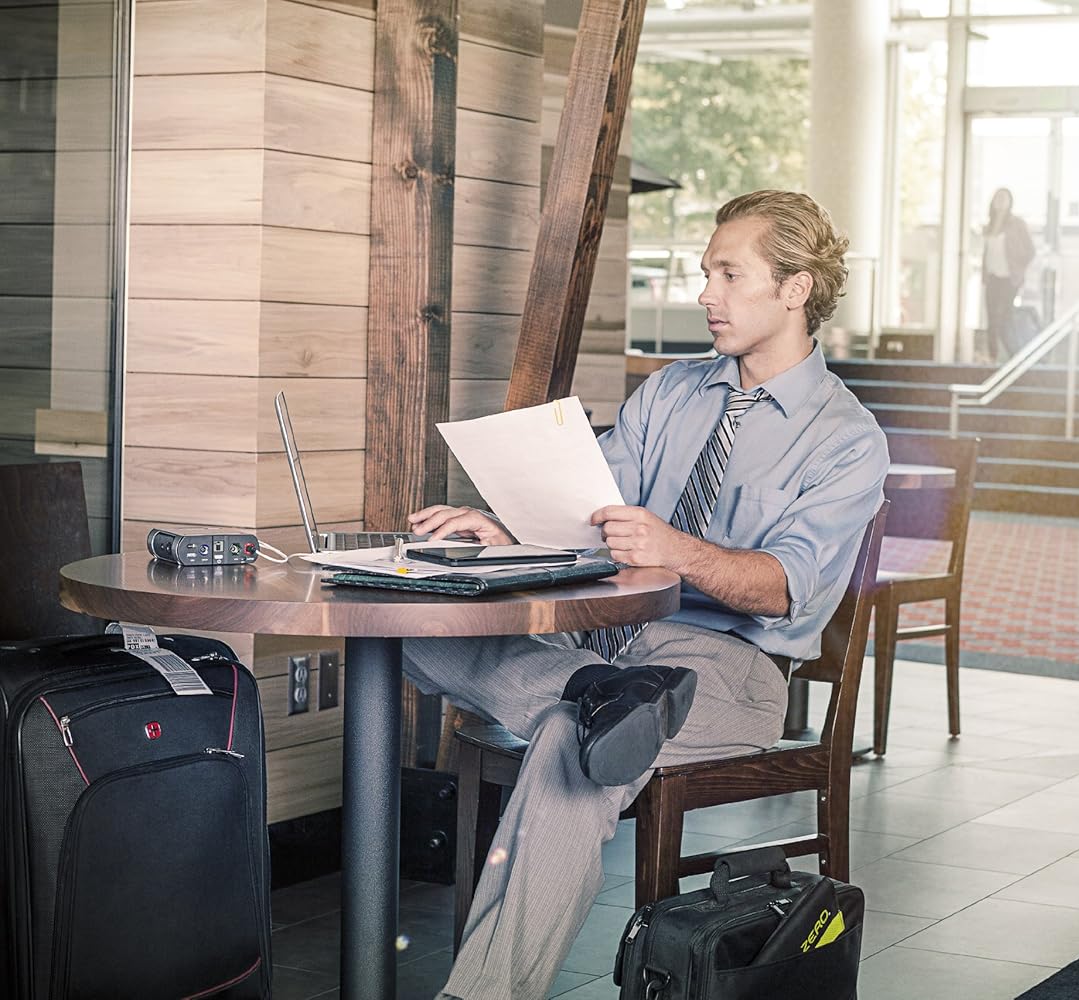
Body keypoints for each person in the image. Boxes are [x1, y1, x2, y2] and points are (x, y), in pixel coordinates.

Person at [400, 190, 890, 1000]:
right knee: (411, 623)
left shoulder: (846, 439)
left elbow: (783, 587)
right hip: (601, 643)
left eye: (729, 274)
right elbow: (590, 504)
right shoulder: (671, 392)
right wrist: (504, 527)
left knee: (569, 742)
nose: (706, 294)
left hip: (727, 667)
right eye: (706, 273)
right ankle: (606, 699)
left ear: (796, 288)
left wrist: (677, 551)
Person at [979, 187, 1036, 364]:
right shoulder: (989, 224)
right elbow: (987, 252)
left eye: (1004, 198)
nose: (1000, 201)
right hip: (993, 277)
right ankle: (992, 355)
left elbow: (1030, 250)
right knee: (991, 317)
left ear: (1010, 202)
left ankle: (1014, 355)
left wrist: (1018, 268)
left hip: (1009, 279)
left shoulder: (1017, 224)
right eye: (998, 197)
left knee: (1004, 317)